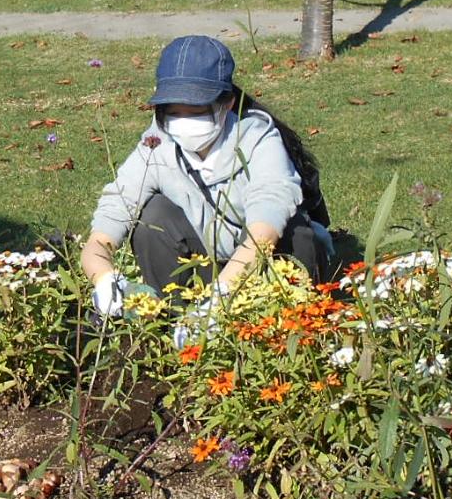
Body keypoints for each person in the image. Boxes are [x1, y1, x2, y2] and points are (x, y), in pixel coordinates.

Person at [80, 35, 332, 317]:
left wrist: (220, 298)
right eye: (173, 112)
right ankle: (169, 321)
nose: (184, 121)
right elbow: (103, 232)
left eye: (197, 111)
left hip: (265, 264)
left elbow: (263, 234)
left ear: (227, 103)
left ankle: (296, 320)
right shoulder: (156, 146)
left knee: (297, 232)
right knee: (153, 217)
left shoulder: (259, 140)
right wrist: (104, 279)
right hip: (206, 264)